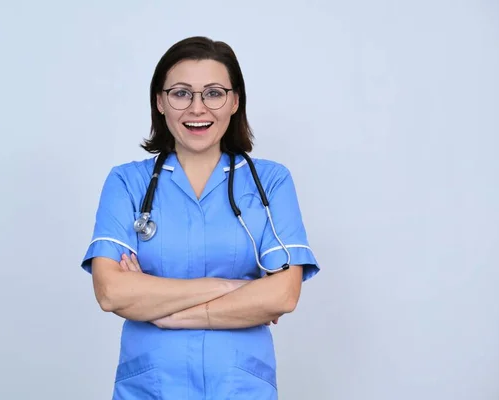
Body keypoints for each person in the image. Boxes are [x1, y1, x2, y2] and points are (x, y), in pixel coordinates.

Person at [80, 36, 320, 400]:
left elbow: (283, 295)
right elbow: (112, 292)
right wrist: (235, 288)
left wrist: (166, 312)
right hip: (151, 388)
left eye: (213, 92)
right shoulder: (127, 183)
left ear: (234, 101)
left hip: (240, 387)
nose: (197, 108)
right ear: (159, 102)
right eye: (181, 93)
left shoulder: (270, 182)